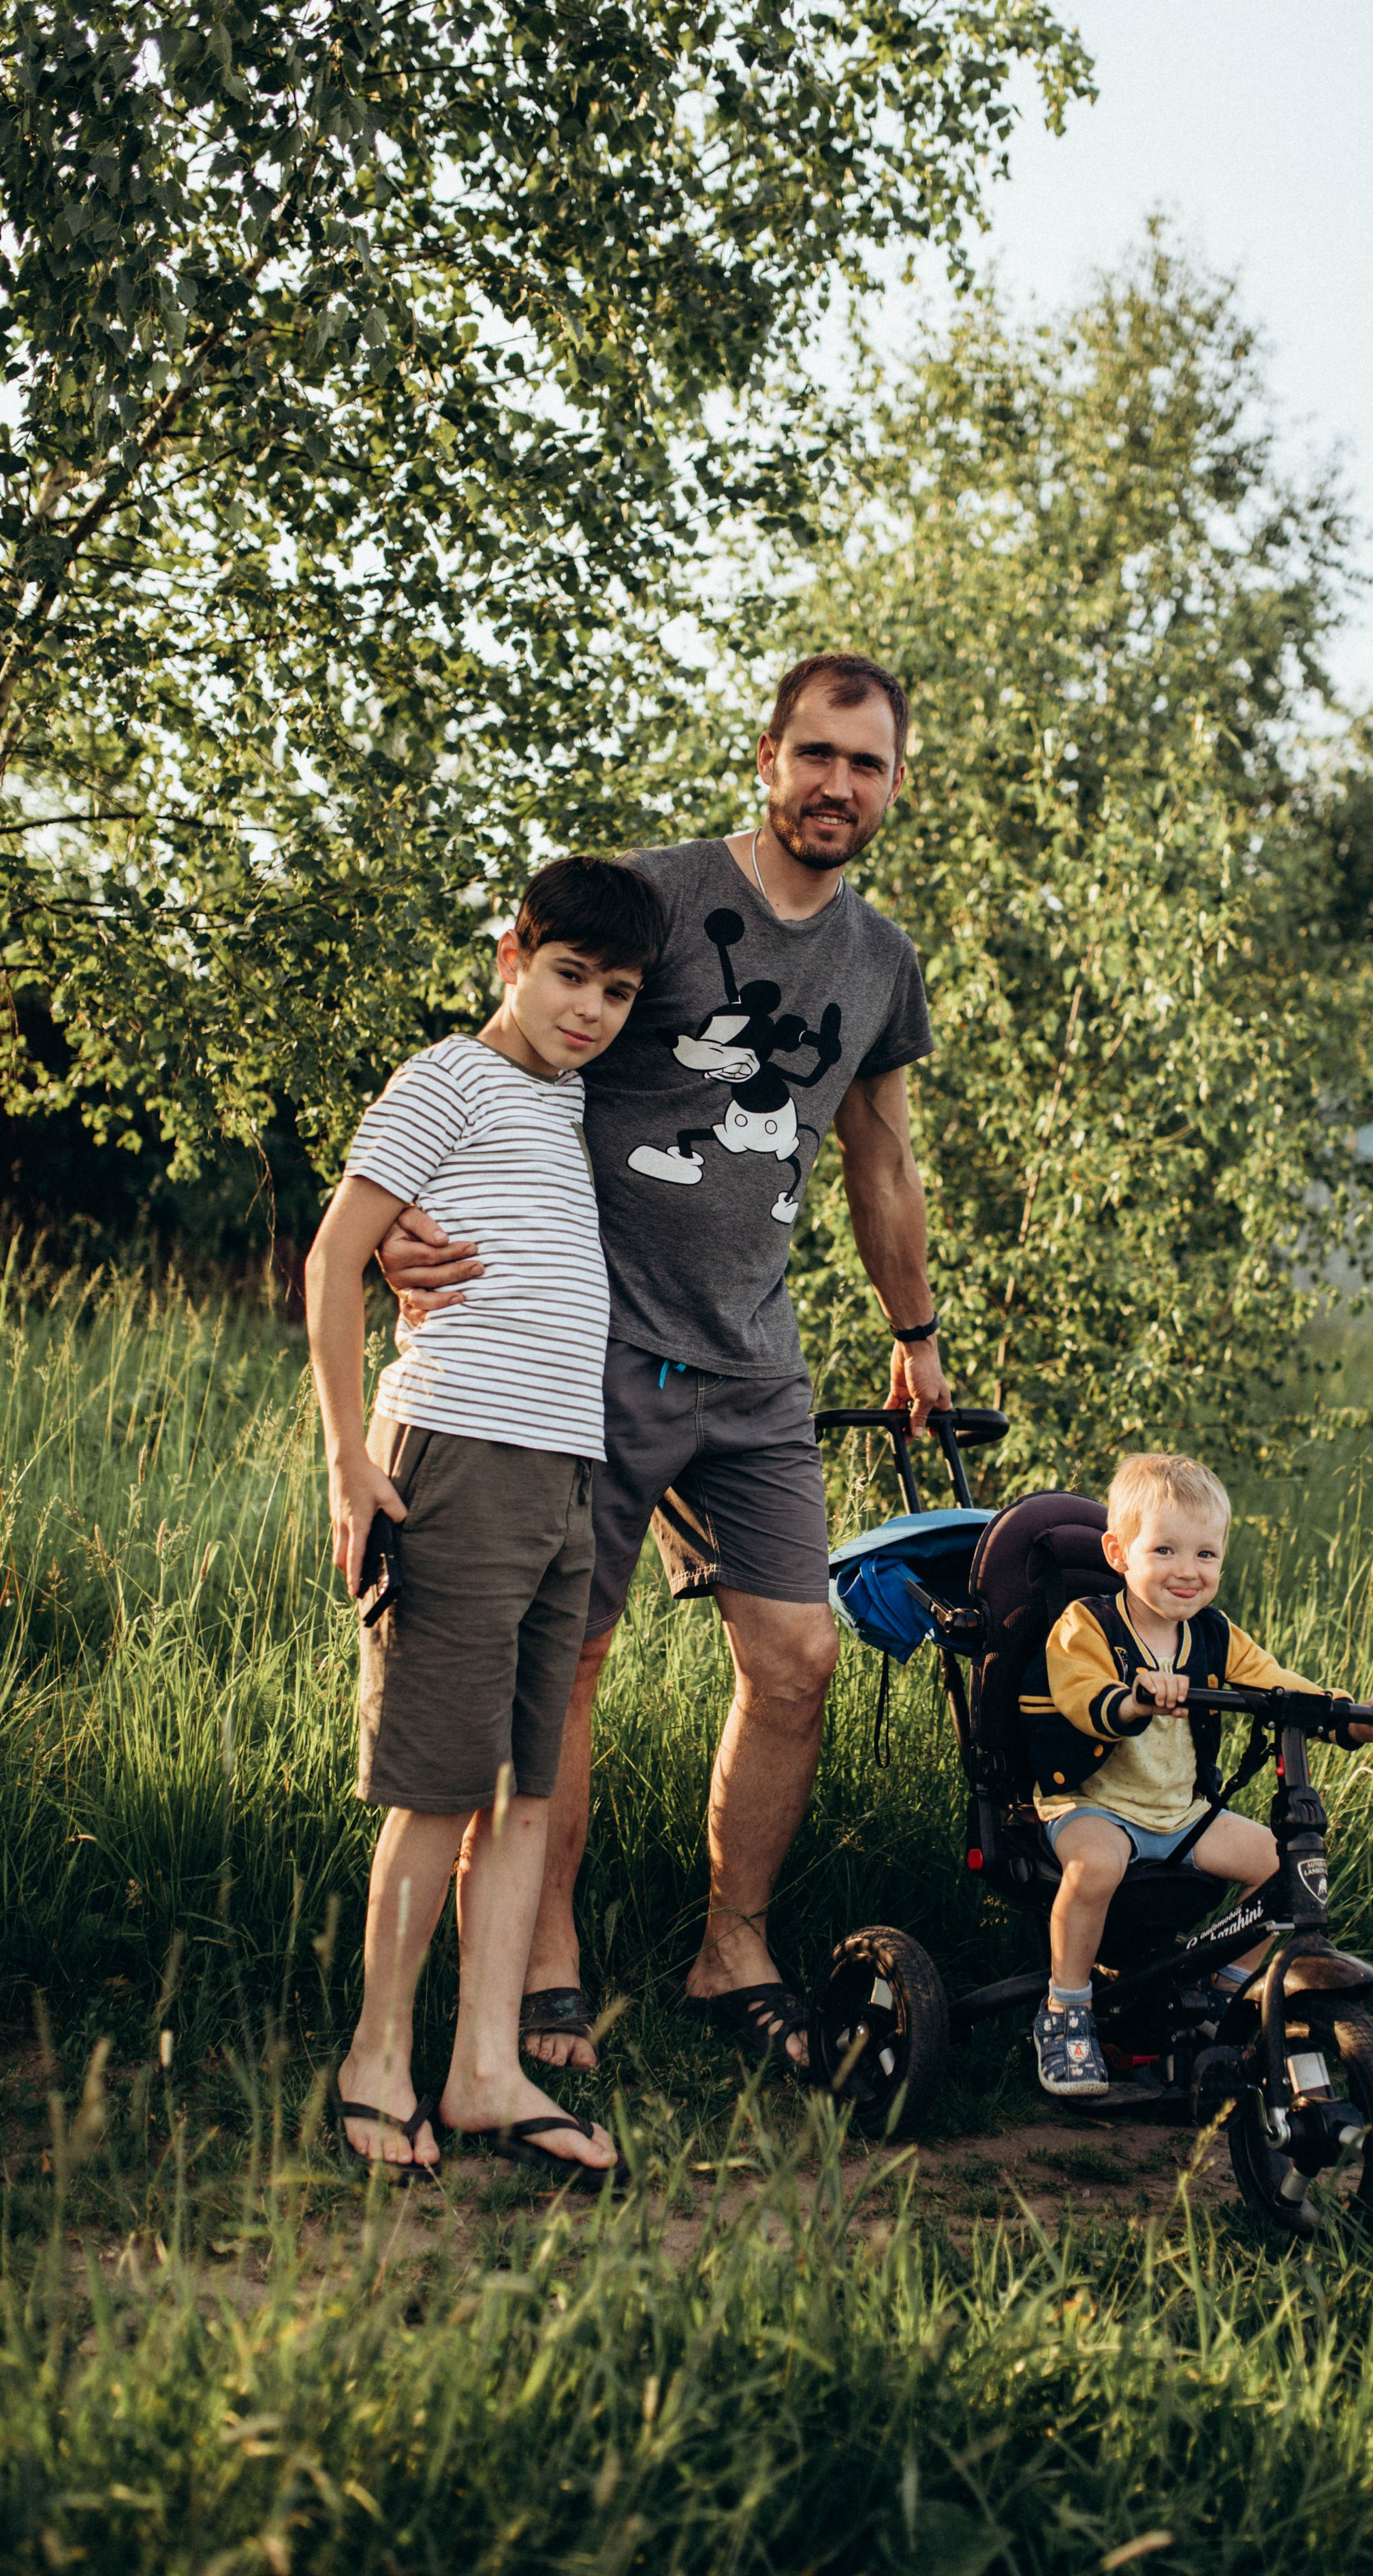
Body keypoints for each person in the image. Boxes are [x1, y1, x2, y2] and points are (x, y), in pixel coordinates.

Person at [379, 652, 948, 2076]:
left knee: (799, 1654)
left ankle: (729, 1950)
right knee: (565, 1666)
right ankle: (545, 1962)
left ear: (893, 785)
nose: (835, 786)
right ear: (764, 760)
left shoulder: (879, 963)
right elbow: (512, 1040)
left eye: (864, 764)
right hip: (591, 1346)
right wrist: (405, 1218)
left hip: (753, 1359)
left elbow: (877, 1155)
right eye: (813, 755)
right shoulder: (656, 894)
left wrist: (913, 1331)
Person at [304, 853, 665, 2176]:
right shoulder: (447, 1076)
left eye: (615, 992)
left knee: (522, 1794)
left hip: (564, 1473)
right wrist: (352, 1462)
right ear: (511, 955)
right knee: (436, 1788)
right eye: (569, 975)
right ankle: (375, 2062)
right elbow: (336, 1255)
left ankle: (484, 2071)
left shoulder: (568, 1104)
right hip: (454, 1454)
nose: (588, 1011)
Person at [1022, 1452, 1373, 2100]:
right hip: (1091, 1803)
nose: (1187, 1571)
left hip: (1180, 1814)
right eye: (1166, 1550)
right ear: (1119, 1552)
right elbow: (1081, 1695)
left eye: (1206, 1555)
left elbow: (1284, 1688)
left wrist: (1351, 1717)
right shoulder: (1086, 1625)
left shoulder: (1213, 1635)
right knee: (1097, 1868)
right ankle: (1066, 2010)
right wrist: (1136, 1699)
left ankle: (1224, 1993)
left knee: (1282, 1865)